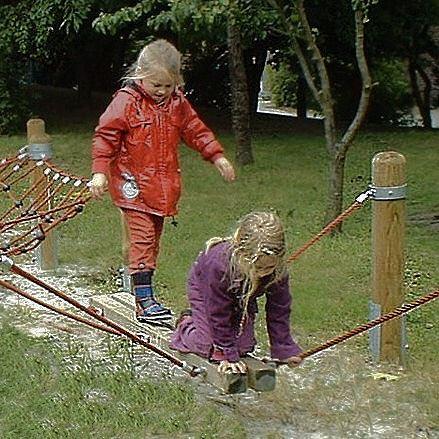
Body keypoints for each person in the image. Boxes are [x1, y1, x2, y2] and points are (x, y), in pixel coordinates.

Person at [90, 39, 235, 322]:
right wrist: (99, 172)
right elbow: (105, 136)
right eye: (156, 85)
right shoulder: (126, 102)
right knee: (142, 240)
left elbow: (196, 130)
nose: (162, 91)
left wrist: (217, 156)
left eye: (168, 86)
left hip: (162, 186)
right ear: (139, 75)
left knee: (152, 241)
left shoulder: (177, 103)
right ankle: (144, 299)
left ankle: (143, 291)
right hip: (133, 185)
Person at [169, 211, 303, 373]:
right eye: (258, 268)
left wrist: (283, 348)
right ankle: (186, 324)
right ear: (241, 254)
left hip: (244, 291)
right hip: (206, 290)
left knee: (244, 347)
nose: (263, 273)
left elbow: (279, 310)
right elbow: (217, 312)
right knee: (208, 346)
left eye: (269, 268)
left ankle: (225, 341)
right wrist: (227, 353)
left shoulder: (277, 271)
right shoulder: (219, 266)